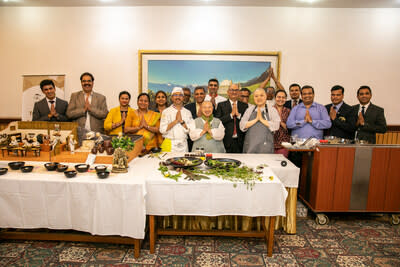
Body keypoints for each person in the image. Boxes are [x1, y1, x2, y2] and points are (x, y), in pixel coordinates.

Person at [240, 88, 280, 153]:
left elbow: (276, 126)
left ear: (266, 96)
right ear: (253, 98)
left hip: (265, 146)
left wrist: (261, 119)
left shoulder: (272, 110)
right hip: (250, 146)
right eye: (256, 96)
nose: (259, 98)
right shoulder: (250, 110)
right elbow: (242, 126)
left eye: (261, 95)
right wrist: (256, 119)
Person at [215, 83, 248, 153]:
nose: (234, 92)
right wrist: (230, 115)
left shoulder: (244, 106)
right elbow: (217, 121)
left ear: (239, 92)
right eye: (232, 90)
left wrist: (238, 115)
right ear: (228, 92)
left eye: (236, 90)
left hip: (240, 142)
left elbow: (247, 122)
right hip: (226, 141)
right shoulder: (221, 105)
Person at [159, 87, 193, 152]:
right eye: (175, 95)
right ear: (172, 98)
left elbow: (190, 130)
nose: (178, 97)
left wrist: (181, 121)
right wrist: (176, 121)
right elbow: (162, 130)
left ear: (183, 98)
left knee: (184, 162)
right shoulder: (166, 111)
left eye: (180, 95)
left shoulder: (188, 112)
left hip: (183, 144)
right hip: (169, 143)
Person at [184, 86, 207, 151]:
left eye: (201, 93)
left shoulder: (210, 106)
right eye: (197, 94)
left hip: (207, 140)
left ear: (205, 95)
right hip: (192, 141)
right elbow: (187, 124)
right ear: (194, 95)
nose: (199, 96)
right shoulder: (187, 107)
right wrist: (197, 117)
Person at [273, 90, 291, 157]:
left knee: (282, 164)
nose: (281, 99)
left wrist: (279, 122)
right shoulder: (269, 110)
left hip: (284, 144)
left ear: (286, 99)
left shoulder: (288, 111)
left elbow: (290, 127)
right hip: (271, 143)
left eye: (283, 97)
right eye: (279, 97)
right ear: (275, 98)